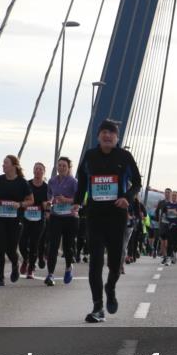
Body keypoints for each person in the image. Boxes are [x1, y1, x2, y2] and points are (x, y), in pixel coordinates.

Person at [75, 119, 142, 323]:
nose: (107, 136)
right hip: (95, 216)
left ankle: (110, 288)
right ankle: (97, 307)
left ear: (117, 138)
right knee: (95, 263)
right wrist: (77, 203)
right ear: (98, 136)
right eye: (103, 132)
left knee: (114, 263)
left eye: (111, 133)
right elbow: (82, 184)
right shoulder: (90, 156)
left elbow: (137, 183)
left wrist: (127, 198)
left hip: (116, 216)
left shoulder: (124, 156)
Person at [0, 155, 32, 286]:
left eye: (5, 163)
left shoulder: (22, 182)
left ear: (14, 166)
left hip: (15, 219)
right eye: (3, 163)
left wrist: (20, 204)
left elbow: (31, 200)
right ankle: (0, 276)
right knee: (0, 248)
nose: (3, 165)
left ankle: (15, 263)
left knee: (11, 249)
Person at [46, 156, 78, 286]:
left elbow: (80, 200)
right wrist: (49, 203)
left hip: (70, 217)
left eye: (64, 165)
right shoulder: (52, 181)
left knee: (67, 247)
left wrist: (66, 200)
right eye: (59, 165)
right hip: (56, 216)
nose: (61, 168)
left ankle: (68, 268)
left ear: (69, 168)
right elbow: (49, 196)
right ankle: (50, 275)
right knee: (52, 246)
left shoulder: (74, 182)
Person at [18, 162, 48, 279]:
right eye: (36, 169)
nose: (38, 171)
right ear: (33, 171)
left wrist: (47, 206)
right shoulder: (27, 185)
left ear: (43, 172)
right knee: (22, 243)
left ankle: (30, 269)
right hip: (25, 218)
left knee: (35, 244)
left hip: (39, 219)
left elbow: (48, 202)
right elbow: (21, 198)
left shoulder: (46, 187)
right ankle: (26, 259)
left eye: (40, 169)